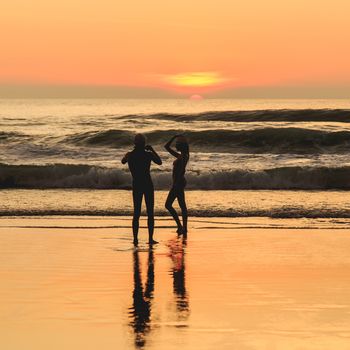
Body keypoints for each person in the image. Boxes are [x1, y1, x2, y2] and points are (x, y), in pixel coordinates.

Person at [122, 134, 162, 245]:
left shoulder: (130, 155)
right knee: (150, 213)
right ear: (144, 143)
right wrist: (152, 150)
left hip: (137, 184)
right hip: (147, 184)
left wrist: (127, 155)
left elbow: (123, 161)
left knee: (136, 213)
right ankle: (150, 239)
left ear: (135, 143)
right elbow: (159, 162)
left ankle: (135, 239)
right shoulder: (148, 155)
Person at [164, 135, 189, 235]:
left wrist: (176, 183)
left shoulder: (183, 157)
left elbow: (182, 170)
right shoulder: (181, 156)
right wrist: (173, 137)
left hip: (178, 183)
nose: (176, 145)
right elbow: (166, 147)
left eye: (177, 144)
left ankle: (180, 226)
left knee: (168, 205)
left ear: (182, 146)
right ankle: (183, 228)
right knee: (182, 205)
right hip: (179, 182)